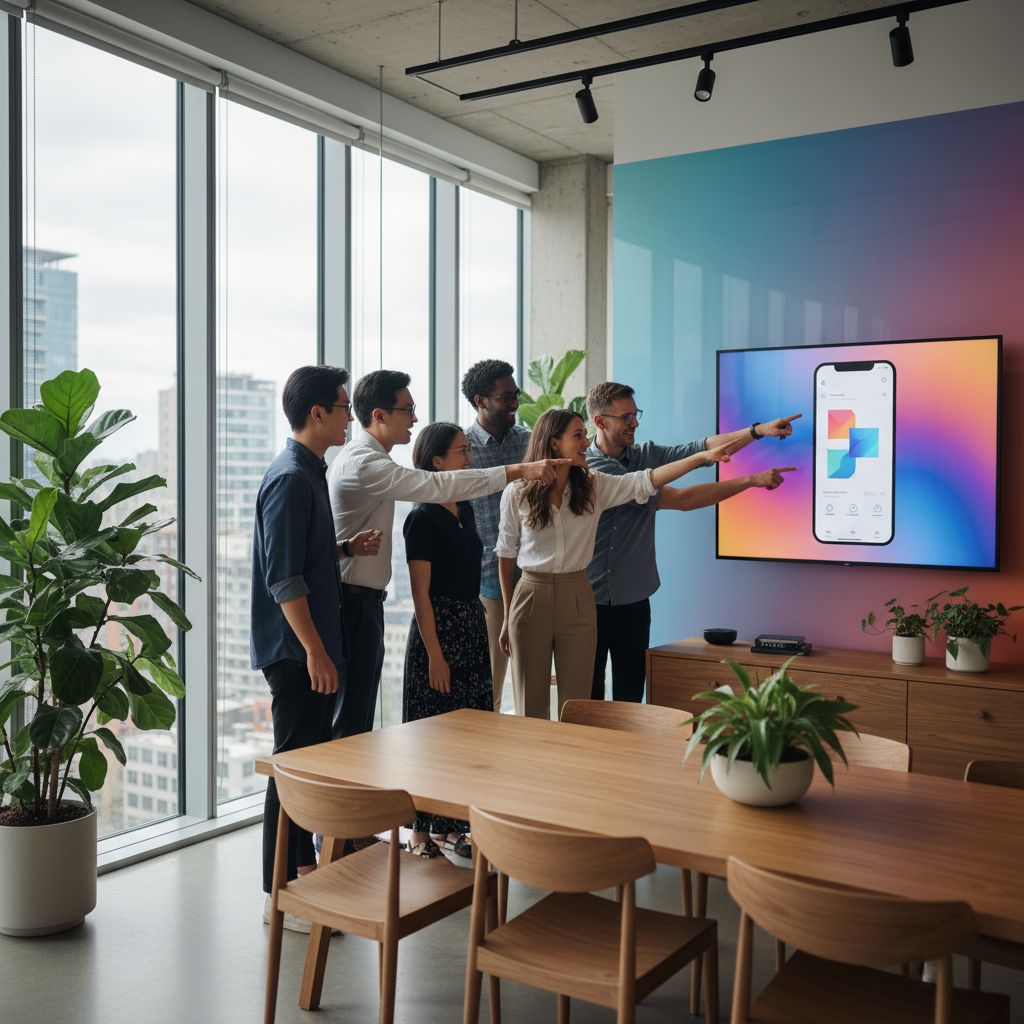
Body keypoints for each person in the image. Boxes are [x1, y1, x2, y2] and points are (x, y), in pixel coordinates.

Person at [326, 368, 568, 749]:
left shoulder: (374, 461)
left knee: (370, 721)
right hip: (355, 602)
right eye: (408, 409)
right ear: (379, 415)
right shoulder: (366, 464)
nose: (415, 418)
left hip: (381, 607)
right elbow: (433, 486)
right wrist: (520, 470)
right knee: (356, 727)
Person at [495, 407, 743, 720]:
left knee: (578, 705)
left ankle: (578, 768)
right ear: (554, 443)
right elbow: (505, 553)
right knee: (529, 704)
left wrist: (701, 458)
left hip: (578, 594)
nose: (587, 442)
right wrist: (506, 615)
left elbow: (648, 480)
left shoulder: (595, 485)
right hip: (530, 594)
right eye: (578, 436)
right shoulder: (516, 492)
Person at [251, 364, 382, 933]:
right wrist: (316, 651)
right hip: (295, 651)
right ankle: (278, 894)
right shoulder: (290, 478)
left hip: (310, 646)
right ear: (317, 414)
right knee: (292, 772)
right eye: (343, 406)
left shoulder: (309, 473)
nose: (350, 415)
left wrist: (343, 546)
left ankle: (301, 876)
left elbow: (303, 556)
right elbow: (284, 580)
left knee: (306, 765)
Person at [585, 381, 799, 704]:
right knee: (587, 698)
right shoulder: (592, 468)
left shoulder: (644, 455)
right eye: (626, 417)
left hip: (634, 599)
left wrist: (758, 431)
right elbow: (683, 499)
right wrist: (752, 480)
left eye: (635, 414)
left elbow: (698, 448)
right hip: (589, 602)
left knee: (630, 698)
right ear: (600, 422)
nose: (635, 423)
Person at [401, 422, 493, 862]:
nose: (469, 459)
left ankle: (453, 828)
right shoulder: (421, 517)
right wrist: (435, 654)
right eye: (461, 451)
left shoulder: (467, 507)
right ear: (437, 462)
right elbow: (421, 594)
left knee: (470, 735)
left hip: (471, 626)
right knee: (431, 738)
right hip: (436, 630)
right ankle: (420, 832)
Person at [461, 359, 531, 713]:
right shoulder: (462, 451)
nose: (515, 403)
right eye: (506, 397)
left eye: (515, 394)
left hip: (535, 581)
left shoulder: (530, 442)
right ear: (481, 401)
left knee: (530, 692)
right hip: (487, 585)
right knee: (489, 693)